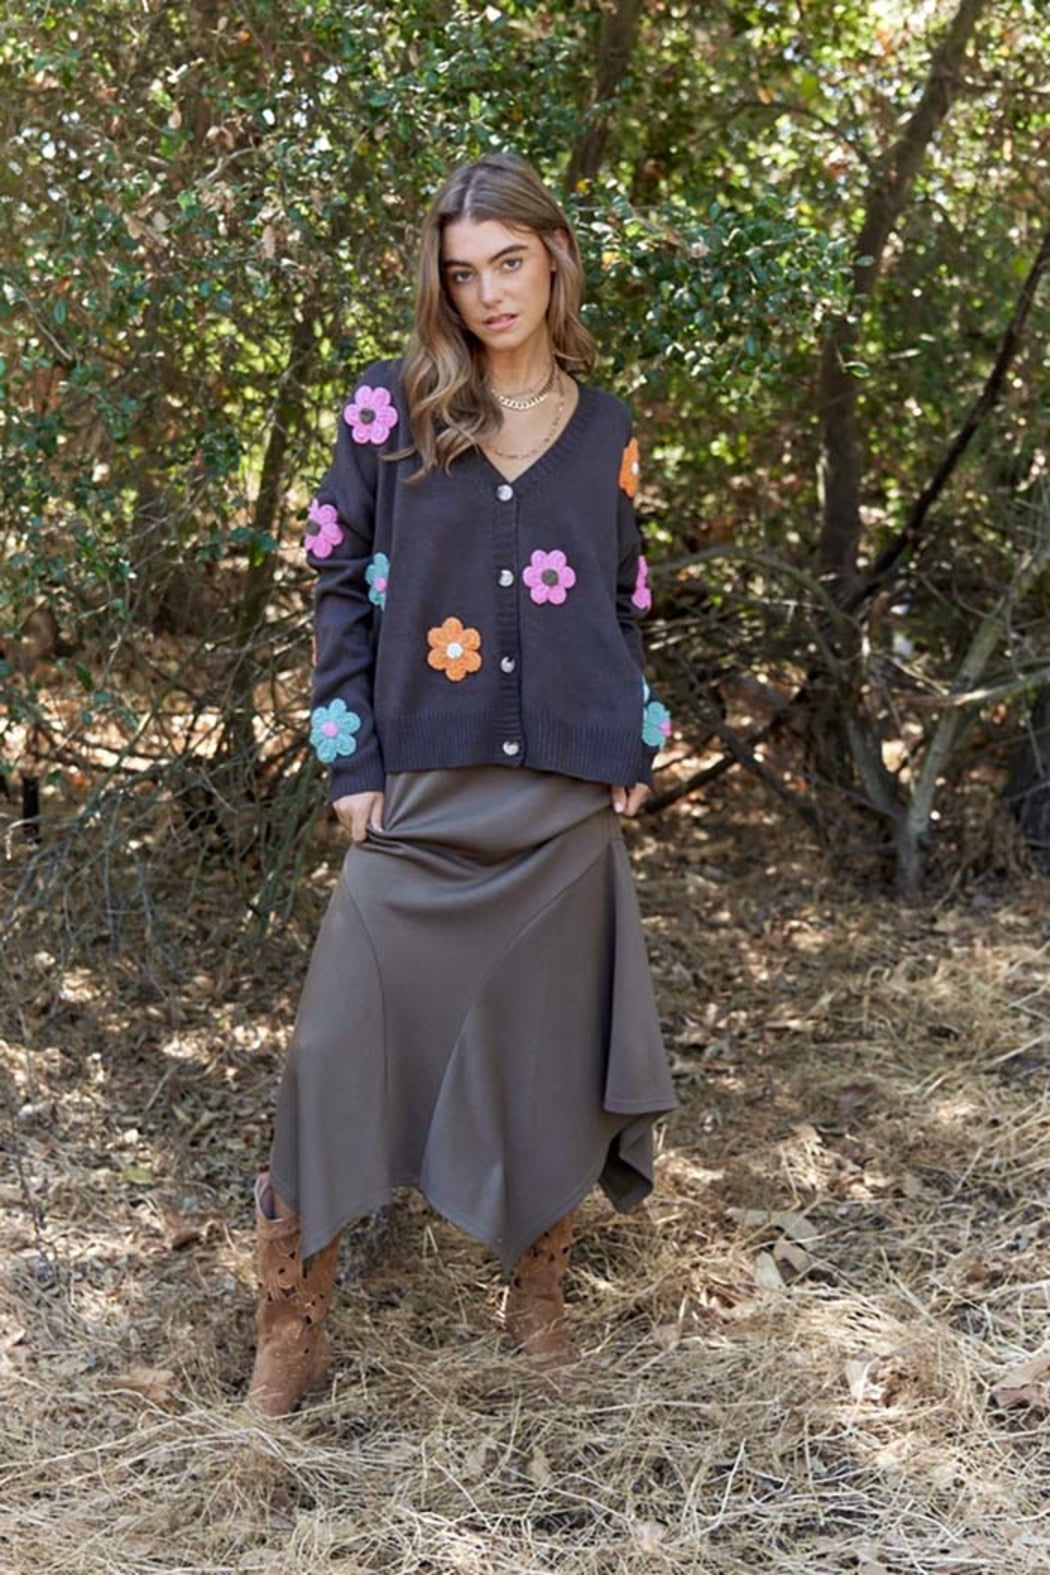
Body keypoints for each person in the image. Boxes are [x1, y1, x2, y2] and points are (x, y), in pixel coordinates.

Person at [247, 151, 677, 1417]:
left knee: (548, 1052)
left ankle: (537, 1299)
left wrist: (630, 739)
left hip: (562, 801)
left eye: (509, 262)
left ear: (555, 258)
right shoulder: (389, 410)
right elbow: (336, 578)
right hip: (420, 795)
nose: (489, 293)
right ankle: (292, 1324)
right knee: (336, 1046)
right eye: (462, 272)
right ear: (438, 285)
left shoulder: (607, 428)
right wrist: (349, 757)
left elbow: (623, 596)